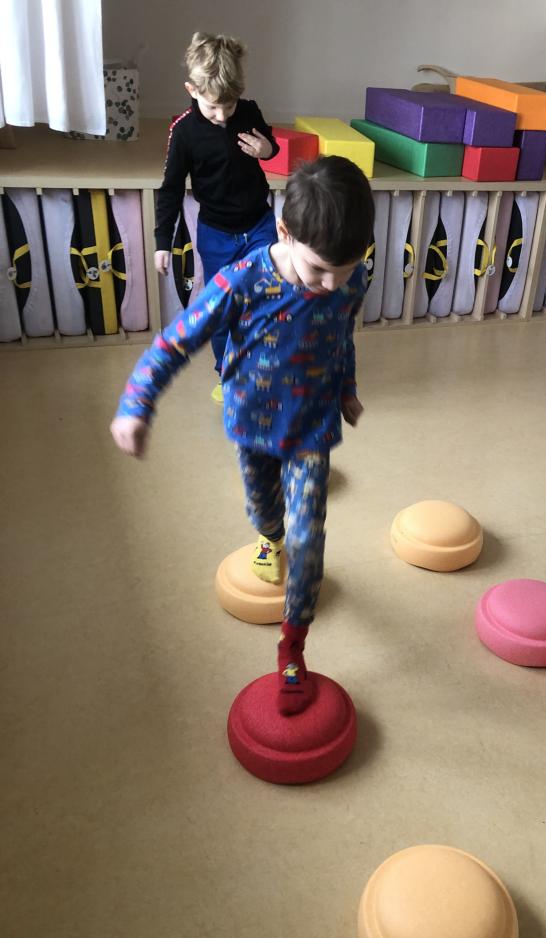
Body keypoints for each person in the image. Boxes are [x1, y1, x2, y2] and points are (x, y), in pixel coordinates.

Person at [111, 156, 375, 716]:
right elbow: (174, 342)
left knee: (309, 537)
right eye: (319, 270)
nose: (333, 284)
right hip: (252, 426)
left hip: (312, 429)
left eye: (347, 269)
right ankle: (268, 536)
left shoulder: (349, 279)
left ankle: (292, 648)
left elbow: (341, 335)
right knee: (264, 512)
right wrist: (136, 404)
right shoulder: (242, 281)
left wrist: (347, 388)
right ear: (285, 232)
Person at [155, 32, 279, 404]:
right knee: (223, 309)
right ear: (191, 90)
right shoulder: (184, 131)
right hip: (216, 235)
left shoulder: (249, 111)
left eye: (229, 105)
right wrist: (162, 242)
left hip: (259, 224)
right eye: (213, 107)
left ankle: (264, 366)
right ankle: (229, 374)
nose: (223, 115)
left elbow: (271, 145)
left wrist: (266, 150)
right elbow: (170, 190)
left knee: (267, 299)